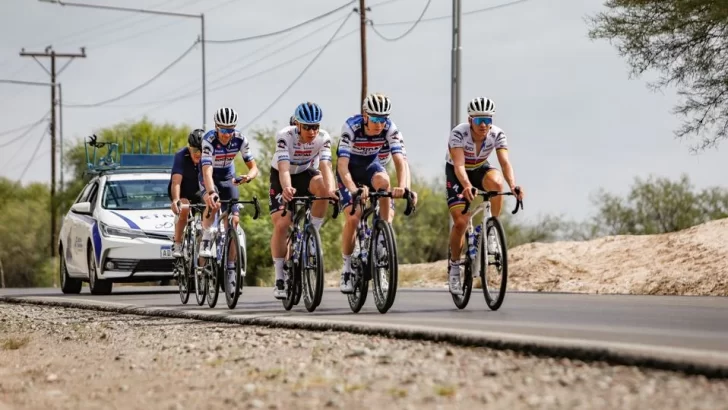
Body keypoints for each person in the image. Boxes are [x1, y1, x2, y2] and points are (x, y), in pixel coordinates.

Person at [335, 92, 415, 293]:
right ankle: (346, 269)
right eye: (375, 119)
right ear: (365, 116)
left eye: (384, 118)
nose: (380, 123)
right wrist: (353, 190)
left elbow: (401, 161)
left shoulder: (390, 128)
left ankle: (382, 235)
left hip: (371, 166)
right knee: (354, 218)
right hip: (350, 171)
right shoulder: (351, 127)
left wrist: (404, 187)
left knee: (384, 181)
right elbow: (342, 166)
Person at [445, 96, 524, 295]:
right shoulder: (458, 134)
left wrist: (513, 185)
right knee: (461, 223)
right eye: (480, 121)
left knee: (497, 183)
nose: (484, 125)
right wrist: (466, 185)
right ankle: (455, 267)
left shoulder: (497, 135)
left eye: (488, 120)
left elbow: (505, 163)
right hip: (457, 173)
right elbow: (459, 165)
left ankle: (490, 230)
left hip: (480, 168)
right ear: (470, 120)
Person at [269, 102, 338, 299]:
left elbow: (325, 166)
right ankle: (280, 276)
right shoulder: (285, 136)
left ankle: (312, 235)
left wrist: (332, 190)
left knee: (324, 189)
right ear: (297, 125)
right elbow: (283, 168)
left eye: (315, 126)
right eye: (307, 127)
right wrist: (287, 188)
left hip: (306, 173)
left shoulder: (323, 138)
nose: (312, 131)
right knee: (282, 223)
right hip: (283, 176)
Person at [199, 107, 259, 266]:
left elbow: (254, 167)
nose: (226, 134)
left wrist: (248, 177)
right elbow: (206, 170)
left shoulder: (240, 139)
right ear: (216, 127)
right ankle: (206, 238)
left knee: (235, 221)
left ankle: (231, 267)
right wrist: (211, 192)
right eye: (223, 130)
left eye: (230, 130)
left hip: (227, 177)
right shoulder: (208, 140)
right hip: (209, 175)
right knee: (214, 203)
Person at [168, 129, 205, 258]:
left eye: (202, 151)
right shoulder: (181, 156)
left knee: (208, 208)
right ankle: (177, 242)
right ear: (189, 148)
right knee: (184, 208)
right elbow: (176, 181)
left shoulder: (208, 157)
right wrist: (175, 200)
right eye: (195, 150)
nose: (199, 154)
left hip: (198, 190)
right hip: (181, 189)